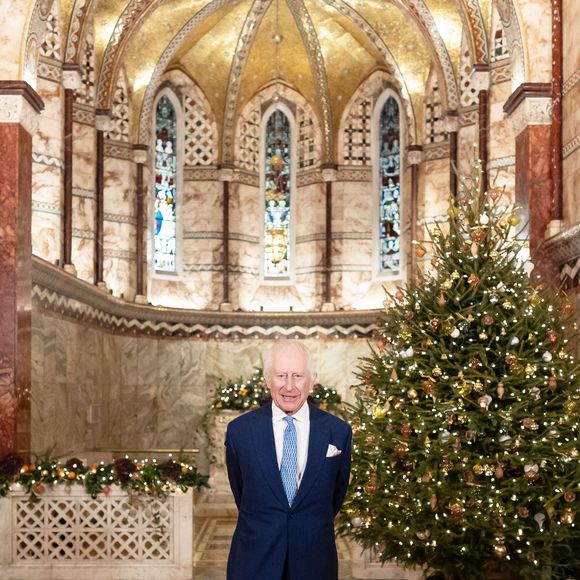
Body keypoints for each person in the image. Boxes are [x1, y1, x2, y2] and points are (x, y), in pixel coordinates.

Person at [225, 341, 352, 580]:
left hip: (315, 561)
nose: (290, 386)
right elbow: (241, 490)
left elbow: (337, 494)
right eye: (282, 375)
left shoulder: (339, 432)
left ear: (312, 380)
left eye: (298, 376)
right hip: (254, 560)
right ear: (267, 380)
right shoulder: (239, 431)